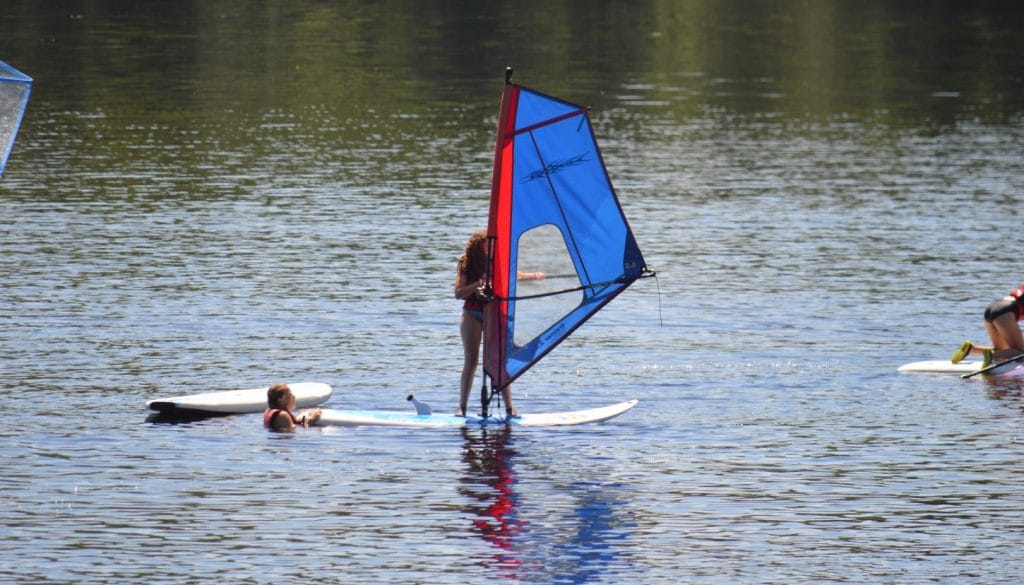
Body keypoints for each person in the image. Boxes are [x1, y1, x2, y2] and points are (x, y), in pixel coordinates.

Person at [454, 229, 545, 417]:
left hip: (492, 314)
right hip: (472, 314)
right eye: (488, 246)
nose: (491, 249)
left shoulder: (497, 261)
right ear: (479, 246)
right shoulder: (466, 262)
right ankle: (461, 407)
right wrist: (477, 286)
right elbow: (458, 292)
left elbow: (516, 275)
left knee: (497, 361)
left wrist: (537, 276)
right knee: (471, 361)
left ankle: (509, 408)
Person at [951, 283, 1024, 368]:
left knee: (1004, 351)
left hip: (993, 307)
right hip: (1005, 310)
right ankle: (991, 355)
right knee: (1020, 353)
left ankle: (972, 349)